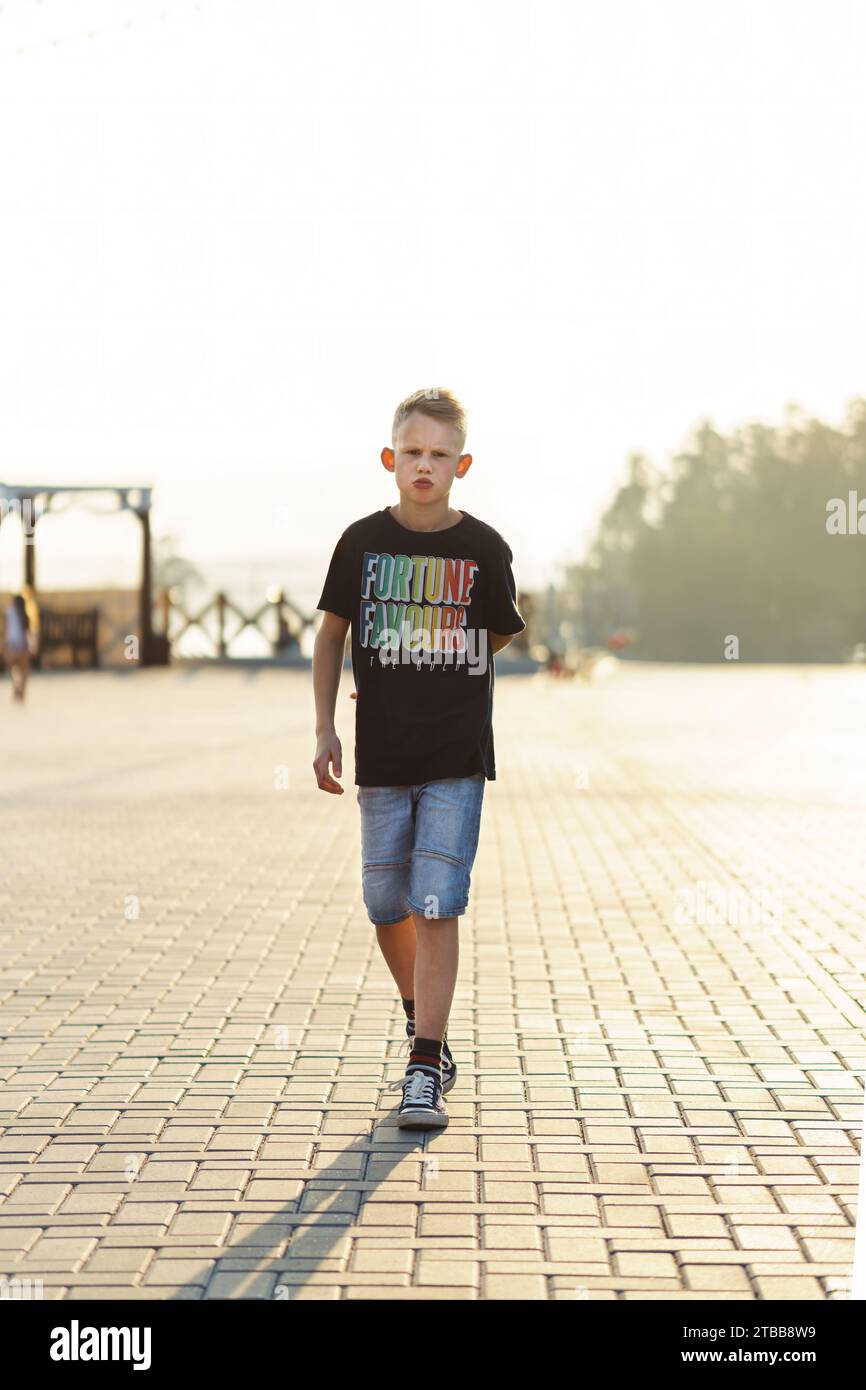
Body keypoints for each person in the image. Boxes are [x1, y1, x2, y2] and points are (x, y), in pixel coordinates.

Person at [312, 388, 525, 1130]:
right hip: (382, 754)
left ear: (461, 465)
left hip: (456, 756)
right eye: (412, 452)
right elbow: (332, 637)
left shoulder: (485, 549)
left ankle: (424, 1066)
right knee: (385, 903)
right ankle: (418, 1014)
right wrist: (324, 729)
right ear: (389, 459)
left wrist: (435, 666)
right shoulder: (360, 543)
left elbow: (499, 631)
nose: (424, 465)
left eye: (439, 454)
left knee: (437, 901)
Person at [3, 592, 37, 702]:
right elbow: (29, 635)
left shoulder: (8, 612)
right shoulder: (24, 615)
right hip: (21, 647)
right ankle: (22, 691)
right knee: (24, 670)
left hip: (12, 647)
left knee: (12, 668)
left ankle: (17, 686)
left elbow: (5, 632)